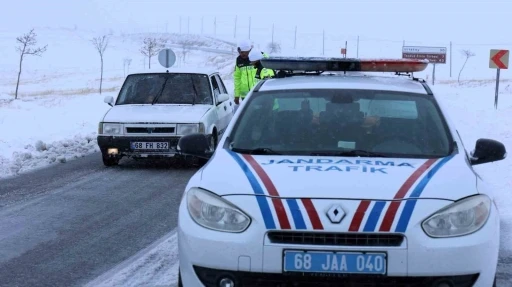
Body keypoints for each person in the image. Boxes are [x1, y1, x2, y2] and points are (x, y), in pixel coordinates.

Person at [233, 40, 256, 106]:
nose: (242, 54)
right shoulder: (238, 60)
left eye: (244, 52)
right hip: (245, 96)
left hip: (257, 93)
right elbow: (237, 78)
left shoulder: (256, 58)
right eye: (240, 52)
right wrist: (237, 95)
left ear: (249, 50)